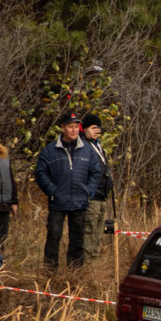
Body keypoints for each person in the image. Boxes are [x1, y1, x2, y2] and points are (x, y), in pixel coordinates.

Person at [35, 111, 102, 270]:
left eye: (75, 127)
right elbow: (40, 173)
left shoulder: (87, 149)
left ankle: (75, 273)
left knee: (77, 239)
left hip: (79, 201)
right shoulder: (50, 150)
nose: (73, 130)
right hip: (58, 202)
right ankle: (50, 273)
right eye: (70, 127)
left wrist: (88, 191)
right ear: (62, 128)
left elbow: (96, 172)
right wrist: (52, 191)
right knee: (53, 237)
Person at [80, 114, 114, 260]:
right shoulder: (82, 146)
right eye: (93, 128)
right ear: (85, 128)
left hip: (102, 196)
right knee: (89, 232)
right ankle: (85, 266)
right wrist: (88, 192)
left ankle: (93, 267)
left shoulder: (97, 145)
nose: (96, 131)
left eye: (98, 128)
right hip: (91, 198)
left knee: (98, 235)